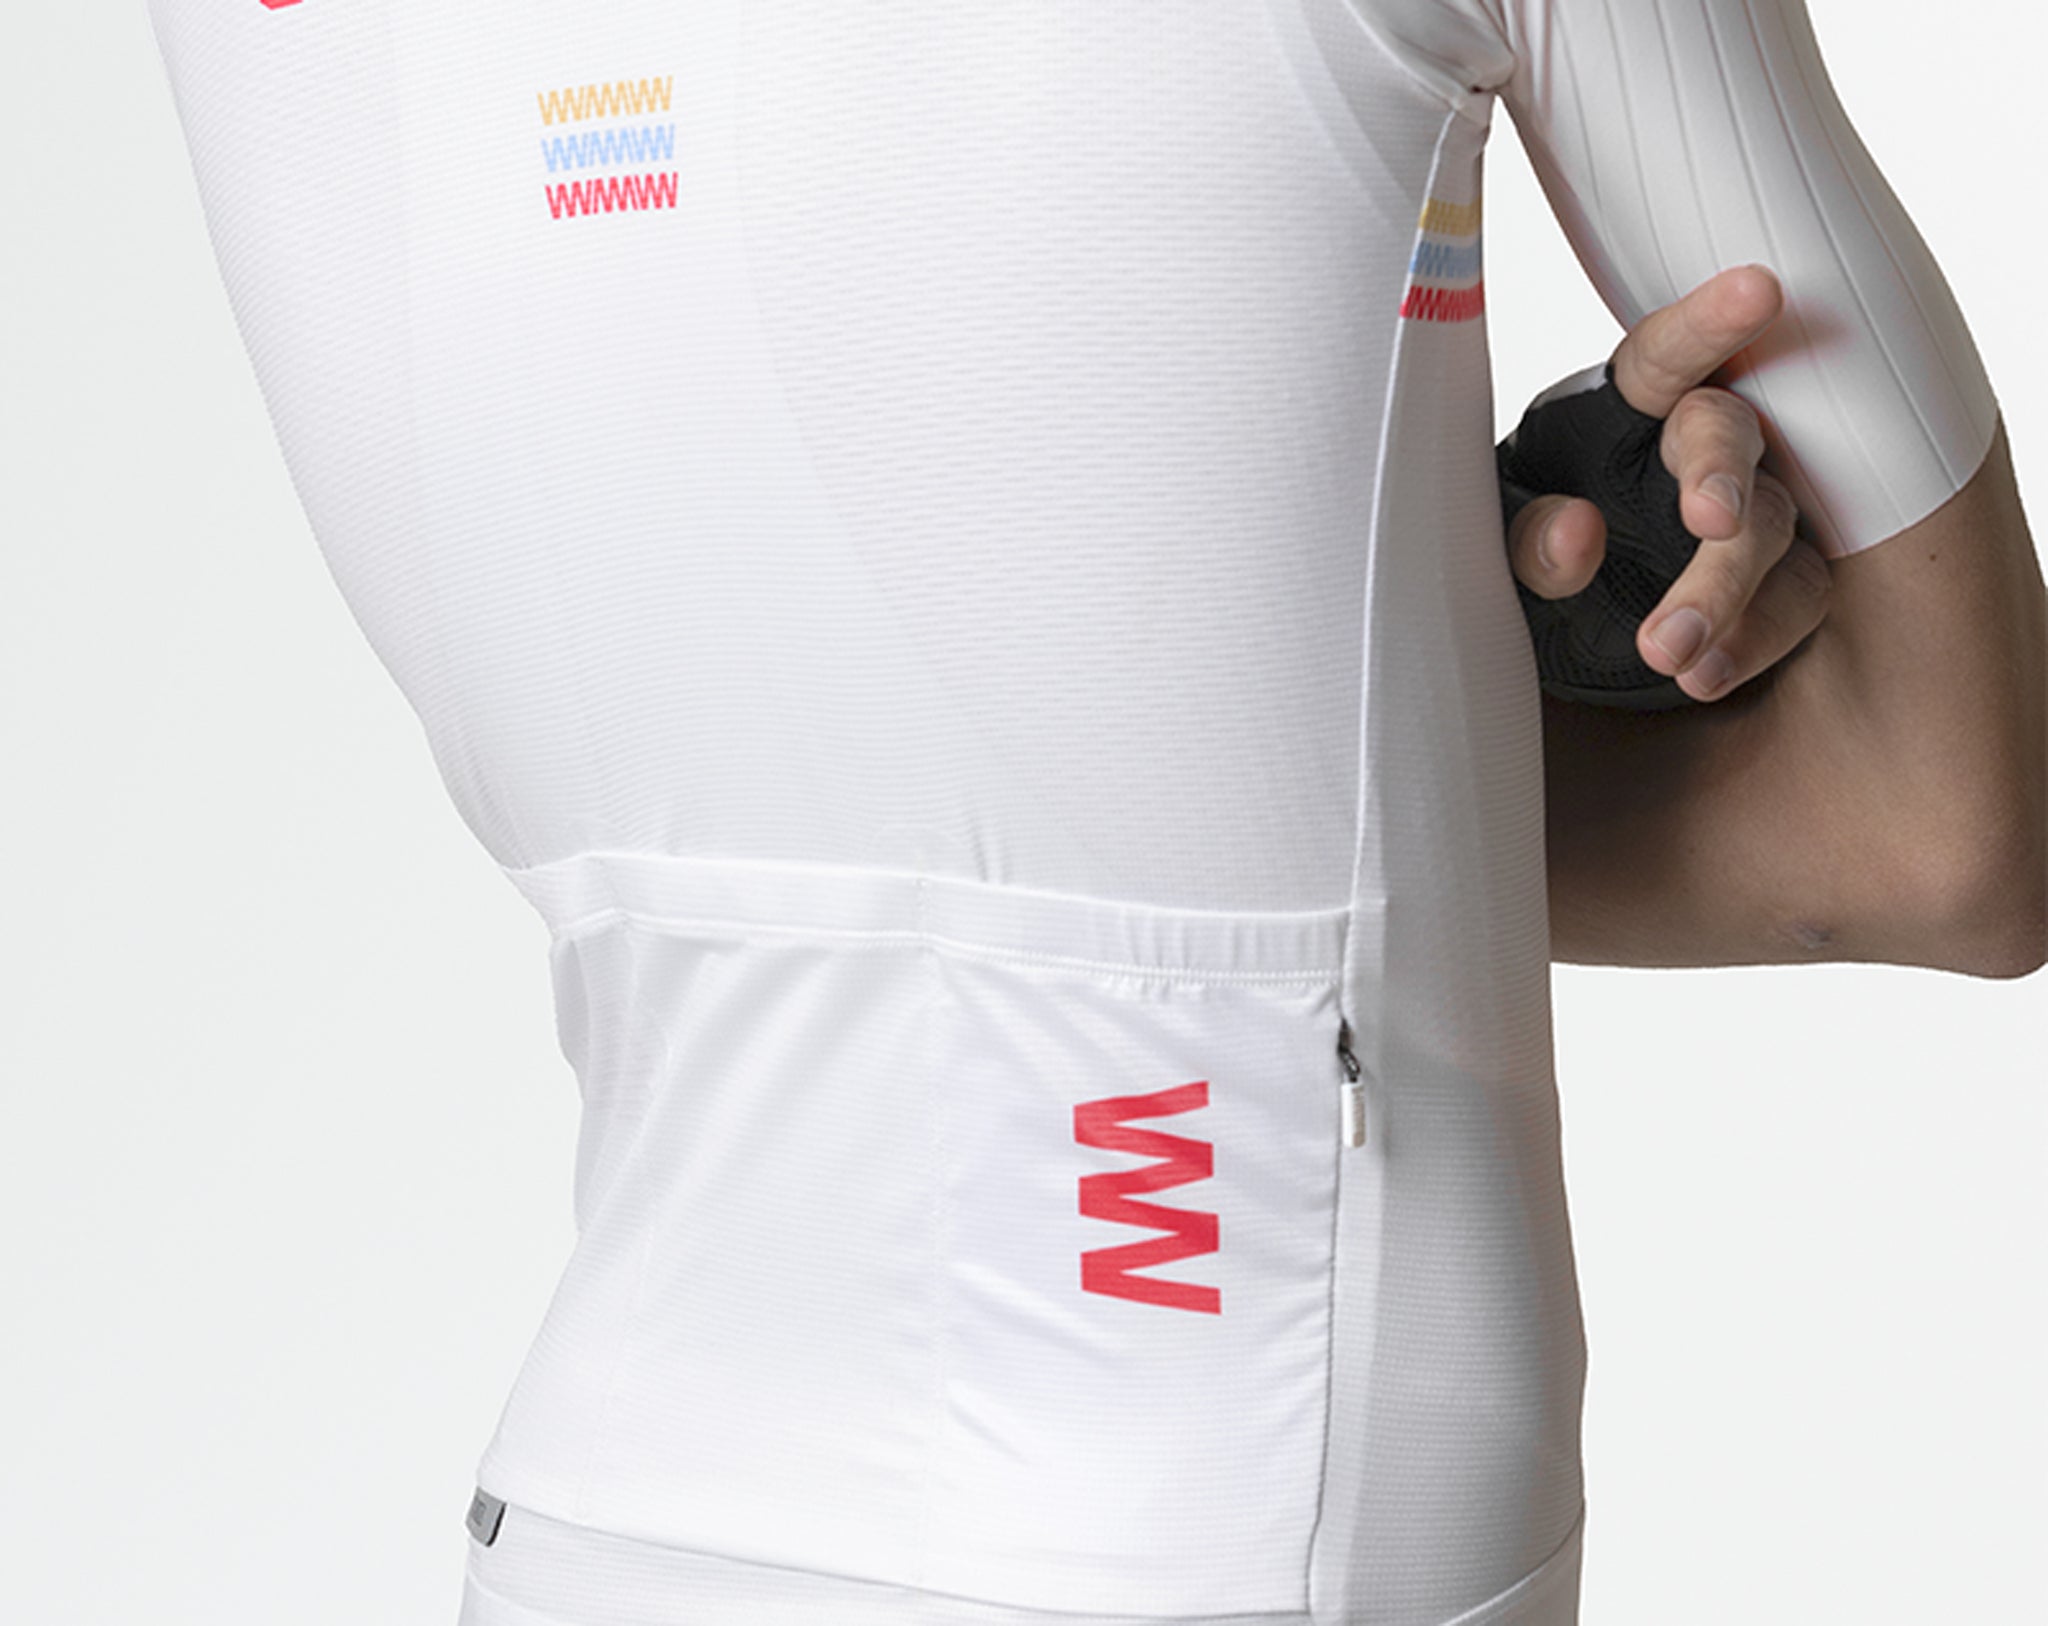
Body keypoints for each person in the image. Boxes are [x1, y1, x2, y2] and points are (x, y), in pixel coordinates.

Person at [141, 1, 2043, 1624]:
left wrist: (1368, 644)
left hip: (607, 1494)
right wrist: (1402, 676)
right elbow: (1950, 838)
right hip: (1227, 1480)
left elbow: (801, 721)